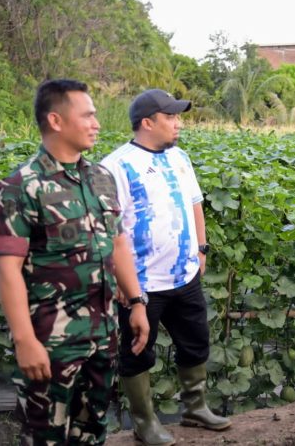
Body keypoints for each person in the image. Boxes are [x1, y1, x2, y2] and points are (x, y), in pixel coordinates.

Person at [0, 79, 150, 444]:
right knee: (46, 436)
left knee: (93, 431)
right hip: (51, 344)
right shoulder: (19, 188)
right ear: (56, 120)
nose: (96, 123)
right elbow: (7, 269)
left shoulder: (101, 179)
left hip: (103, 336)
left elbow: (119, 243)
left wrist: (136, 301)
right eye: (88, 115)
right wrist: (24, 339)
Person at [101, 89, 230, 446]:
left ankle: (195, 407)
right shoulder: (116, 166)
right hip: (141, 283)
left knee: (195, 341)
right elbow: (111, 233)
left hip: (184, 273)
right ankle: (145, 421)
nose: (178, 123)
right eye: (171, 117)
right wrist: (127, 287)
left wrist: (201, 250)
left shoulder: (179, 157)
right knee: (137, 351)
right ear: (147, 123)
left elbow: (195, 204)